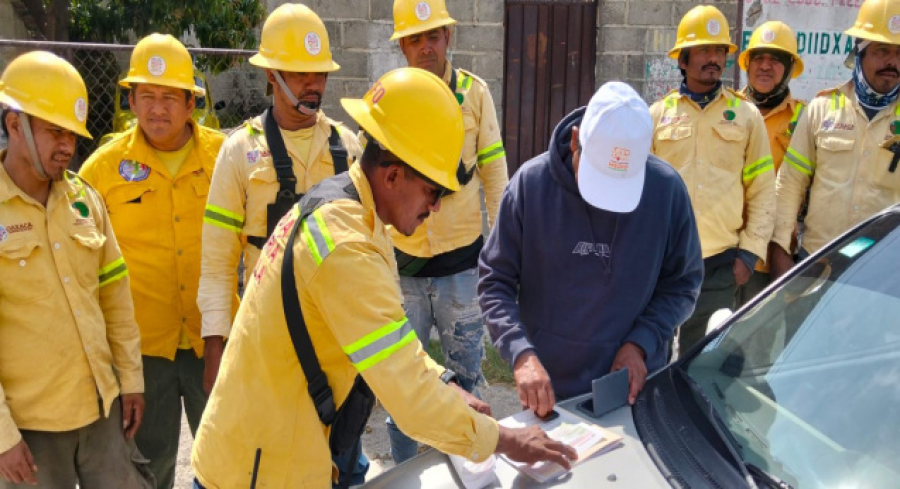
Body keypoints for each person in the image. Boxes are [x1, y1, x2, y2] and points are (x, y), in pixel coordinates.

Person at [190, 67, 576, 488]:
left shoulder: (351, 210)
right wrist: (506, 441)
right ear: (392, 176)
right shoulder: (347, 246)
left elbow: (390, 338)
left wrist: (444, 382)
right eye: (434, 192)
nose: (436, 208)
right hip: (256, 470)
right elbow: (409, 398)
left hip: (270, 448)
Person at [478, 81, 702, 416]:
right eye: (599, 178)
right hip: (550, 387)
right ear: (575, 141)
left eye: (620, 185)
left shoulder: (666, 192)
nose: (606, 200)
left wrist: (641, 342)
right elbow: (495, 281)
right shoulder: (529, 187)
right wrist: (521, 354)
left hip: (633, 387)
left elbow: (682, 284)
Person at [78, 33, 224, 489]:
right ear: (132, 101)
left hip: (213, 341)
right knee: (149, 467)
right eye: (147, 96)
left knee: (228, 462)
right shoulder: (103, 169)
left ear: (190, 103)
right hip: (142, 353)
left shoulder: (226, 157)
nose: (157, 109)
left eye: (169, 98)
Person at [0, 51, 149, 488]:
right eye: (55, 131)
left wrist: (131, 381)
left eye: (72, 134)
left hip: (101, 411)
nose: (67, 146)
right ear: (14, 125)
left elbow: (115, 299)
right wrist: (3, 437)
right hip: (31, 431)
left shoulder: (85, 200)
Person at [197, 2, 362, 391]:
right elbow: (218, 263)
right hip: (268, 333)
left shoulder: (347, 147)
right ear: (272, 75)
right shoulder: (239, 151)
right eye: (300, 73)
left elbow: (372, 245)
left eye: (319, 73)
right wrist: (215, 348)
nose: (313, 84)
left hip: (336, 335)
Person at [385, 0, 510, 464]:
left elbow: (495, 175)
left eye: (433, 36)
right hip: (404, 272)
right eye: (414, 39)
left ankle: (465, 471)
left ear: (448, 38)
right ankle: (406, 474)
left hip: (462, 269)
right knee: (403, 390)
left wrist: (504, 251)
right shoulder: (391, 97)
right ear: (402, 46)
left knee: (467, 383)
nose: (425, 48)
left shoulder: (475, 95)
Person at [649, 5, 774, 354]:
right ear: (683, 58)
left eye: (720, 50)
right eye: (704, 50)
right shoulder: (657, 115)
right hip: (663, 262)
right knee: (653, 351)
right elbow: (642, 192)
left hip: (719, 266)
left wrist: (749, 255)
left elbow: (763, 190)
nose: (714, 59)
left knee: (703, 359)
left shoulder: (746, 116)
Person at [772, 0, 900, 278]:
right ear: (859, 52)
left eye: (899, 52)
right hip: (818, 262)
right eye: (882, 50)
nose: (892, 62)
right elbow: (791, 182)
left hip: (884, 272)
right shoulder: (822, 108)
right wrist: (780, 250)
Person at [735, 21, 806, 305]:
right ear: (747, 64)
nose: (765, 66)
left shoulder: (804, 118)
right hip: (724, 253)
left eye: (775, 60)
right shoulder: (728, 109)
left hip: (771, 260)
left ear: (789, 69)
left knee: (761, 332)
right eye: (759, 58)